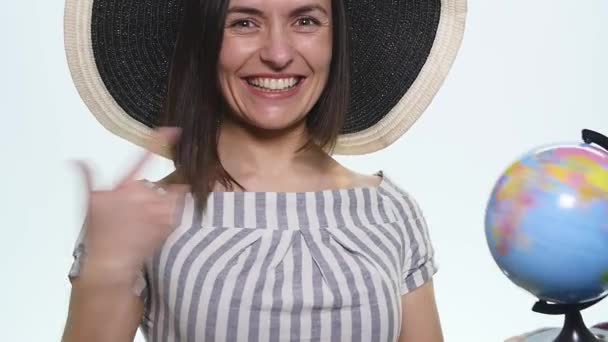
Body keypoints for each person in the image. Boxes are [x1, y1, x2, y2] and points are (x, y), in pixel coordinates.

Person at [60, 0, 466, 341]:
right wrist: (107, 270)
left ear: (335, 39)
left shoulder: (389, 211)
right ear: (205, 40)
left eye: (305, 21)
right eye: (244, 23)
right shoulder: (142, 218)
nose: (278, 53)